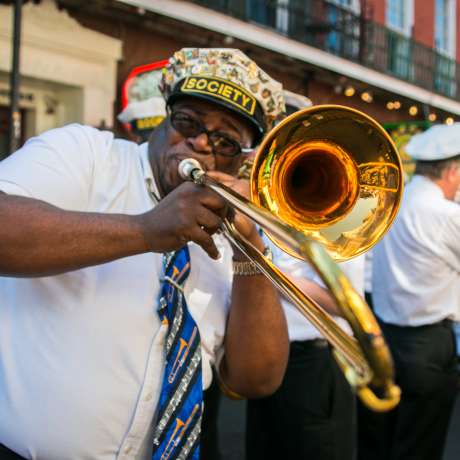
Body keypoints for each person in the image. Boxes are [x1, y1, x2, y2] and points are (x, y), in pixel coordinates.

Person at [0, 47, 289, 460]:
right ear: (163, 116)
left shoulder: (232, 231)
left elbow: (254, 379)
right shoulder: (89, 155)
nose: (200, 142)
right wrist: (145, 230)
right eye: (187, 121)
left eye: (225, 140)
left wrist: (251, 247)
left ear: (242, 161)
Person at [245, 90, 363, 460]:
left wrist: (268, 272)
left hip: (312, 362)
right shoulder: (256, 199)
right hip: (263, 356)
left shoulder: (333, 200)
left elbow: (347, 303)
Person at [358, 123, 460, 460]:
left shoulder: (394, 203)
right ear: (453, 171)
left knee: (381, 440)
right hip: (428, 347)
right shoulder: (445, 215)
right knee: (420, 445)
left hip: (386, 338)